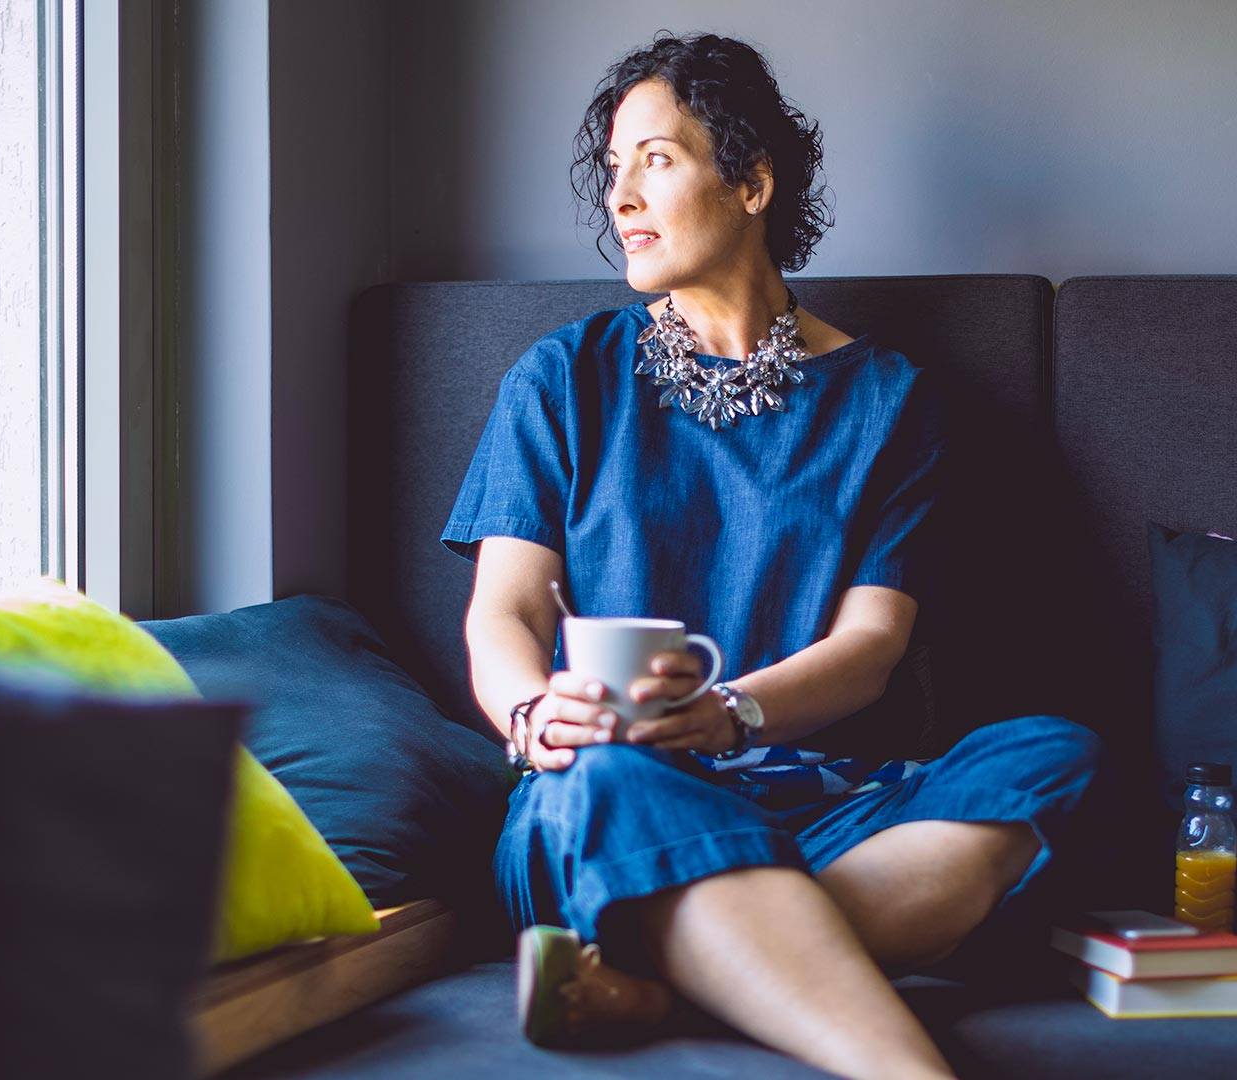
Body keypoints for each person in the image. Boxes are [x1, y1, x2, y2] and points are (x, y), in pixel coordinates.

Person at [441, 32, 1100, 1080]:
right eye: (613, 171)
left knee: (1049, 759)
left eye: (656, 160)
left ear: (750, 180)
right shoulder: (561, 379)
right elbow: (505, 613)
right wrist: (531, 715)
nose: (621, 198)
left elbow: (875, 647)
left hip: (821, 802)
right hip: (612, 792)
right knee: (613, 781)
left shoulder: (891, 401)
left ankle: (659, 975)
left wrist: (729, 712)